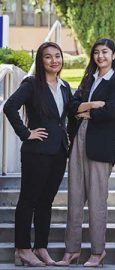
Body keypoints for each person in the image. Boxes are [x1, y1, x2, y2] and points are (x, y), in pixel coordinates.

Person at [58, 38, 115, 267]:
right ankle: (71, 251)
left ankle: (98, 251)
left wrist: (87, 110)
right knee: (74, 198)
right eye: (96, 52)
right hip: (78, 138)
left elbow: (110, 112)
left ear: (114, 55)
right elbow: (71, 107)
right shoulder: (89, 78)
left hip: (100, 144)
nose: (100, 56)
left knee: (97, 201)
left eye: (105, 52)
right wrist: (92, 105)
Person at [4, 42, 72, 267]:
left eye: (58, 56)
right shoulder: (32, 84)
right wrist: (25, 133)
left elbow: (67, 116)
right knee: (28, 200)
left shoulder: (64, 87)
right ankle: (23, 249)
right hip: (37, 151)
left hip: (59, 151)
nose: (54, 60)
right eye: (48, 57)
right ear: (40, 61)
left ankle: (40, 247)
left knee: (46, 201)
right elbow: (10, 106)